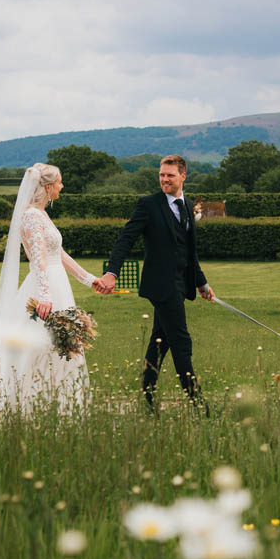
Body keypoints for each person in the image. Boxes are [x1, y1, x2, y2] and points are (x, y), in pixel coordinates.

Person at [0, 163, 100, 418]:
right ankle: (24, 403)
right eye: (59, 182)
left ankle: (54, 402)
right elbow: (39, 260)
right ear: (47, 187)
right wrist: (45, 296)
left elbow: (59, 254)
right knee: (37, 345)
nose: (62, 186)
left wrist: (89, 280)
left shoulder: (42, 214)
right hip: (46, 288)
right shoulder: (32, 216)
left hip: (57, 285)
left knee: (58, 345)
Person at [97, 154, 214, 412]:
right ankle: (199, 404)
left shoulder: (188, 205)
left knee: (160, 341)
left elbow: (189, 251)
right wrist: (112, 272)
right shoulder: (148, 205)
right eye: (161, 174)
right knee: (181, 341)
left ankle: (147, 396)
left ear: (183, 176)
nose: (164, 179)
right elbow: (125, 239)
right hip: (161, 286)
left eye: (170, 175)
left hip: (181, 284)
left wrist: (201, 283)